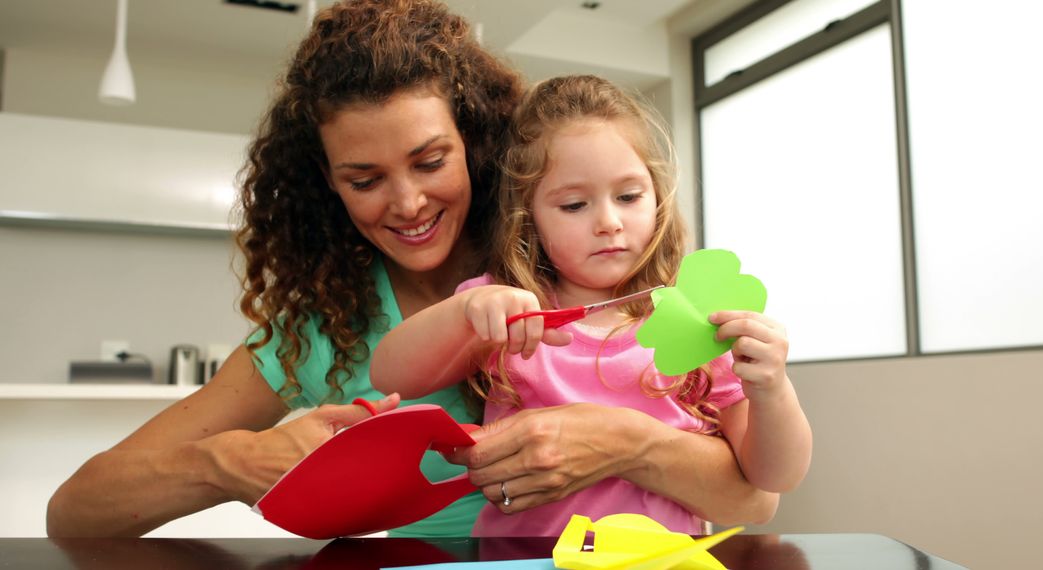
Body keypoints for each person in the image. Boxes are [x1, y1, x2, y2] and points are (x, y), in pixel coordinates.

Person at [47, 0, 777, 539]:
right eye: (364, 179)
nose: (407, 203)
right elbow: (74, 513)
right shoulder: (325, 327)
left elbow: (755, 498)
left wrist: (624, 442)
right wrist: (232, 462)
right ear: (326, 186)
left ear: (477, 143)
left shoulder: (572, 264)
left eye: (430, 161)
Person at [372, 75, 811, 536]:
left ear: (658, 196)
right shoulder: (512, 310)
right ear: (529, 216)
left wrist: (772, 390)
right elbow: (391, 375)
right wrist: (464, 312)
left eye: (628, 196)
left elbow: (776, 479)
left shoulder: (696, 319)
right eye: (575, 204)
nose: (609, 222)